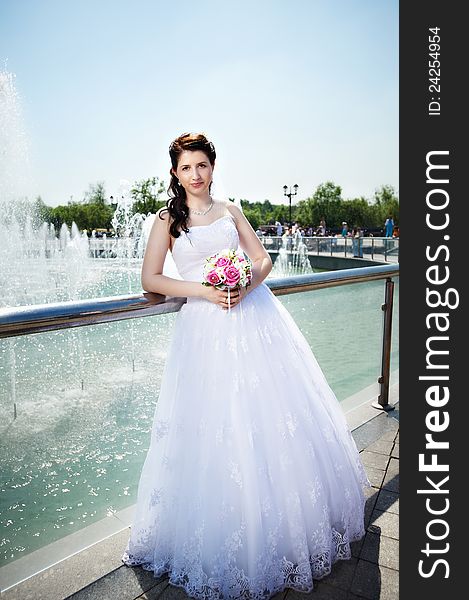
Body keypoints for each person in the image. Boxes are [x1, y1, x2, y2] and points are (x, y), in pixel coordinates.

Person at [121, 132, 369, 599]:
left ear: (213, 167)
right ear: (174, 173)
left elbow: (263, 258)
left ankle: (283, 524)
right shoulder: (167, 219)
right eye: (186, 167)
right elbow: (151, 277)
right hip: (202, 327)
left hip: (254, 316)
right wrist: (207, 291)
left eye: (202, 165)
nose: (195, 175)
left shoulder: (231, 210)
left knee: (270, 414)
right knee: (214, 421)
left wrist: (243, 285)